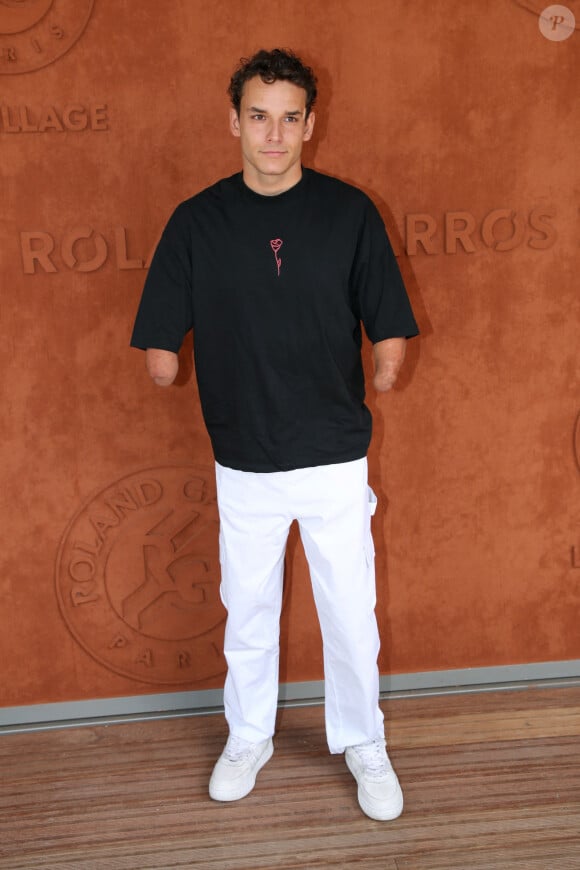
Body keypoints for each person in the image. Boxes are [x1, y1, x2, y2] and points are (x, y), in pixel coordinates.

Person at [131, 48, 418, 821]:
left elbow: (388, 320)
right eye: (259, 116)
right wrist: (168, 358)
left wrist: (387, 360)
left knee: (350, 613)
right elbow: (160, 351)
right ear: (234, 121)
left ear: (310, 125)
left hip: (333, 451)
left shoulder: (348, 212)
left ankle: (364, 741)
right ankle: (248, 733)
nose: (274, 133)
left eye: (290, 117)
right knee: (248, 611)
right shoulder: (197, 221)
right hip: (246, 455)